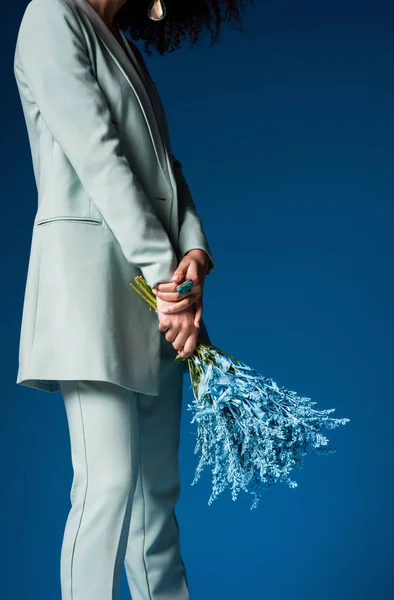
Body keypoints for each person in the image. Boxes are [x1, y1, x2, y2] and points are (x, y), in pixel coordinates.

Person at [13, 0, 251, 598]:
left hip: (157, 298)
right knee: (108, 489)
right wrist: (170, 278)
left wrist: (195, 254)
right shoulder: (51, 16)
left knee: (156, 505)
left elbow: (163, 171)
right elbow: (100, 160)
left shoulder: (120, 42)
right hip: (91, 299)